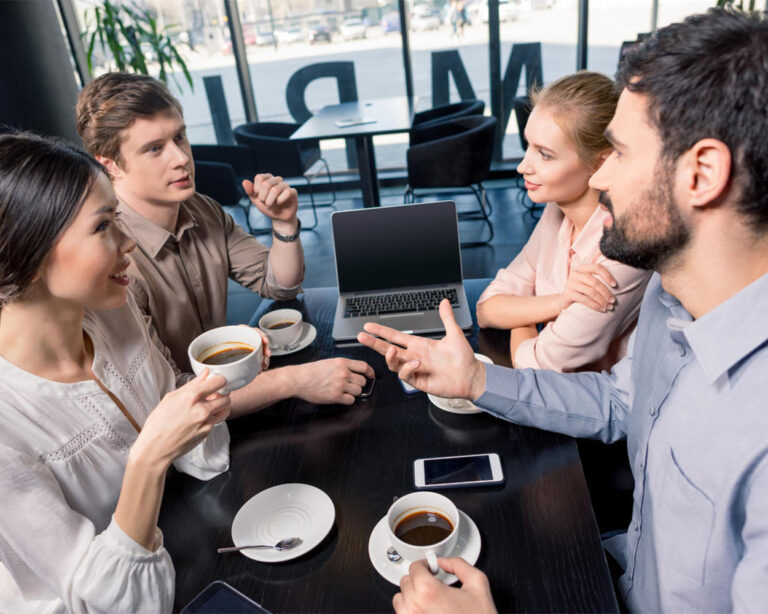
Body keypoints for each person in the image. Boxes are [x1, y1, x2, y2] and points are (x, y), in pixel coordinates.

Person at [359, 8, 768, 612]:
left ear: (702, 173)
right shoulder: (668, 295)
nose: (602, 177)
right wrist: (476, 378)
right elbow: (618, 401)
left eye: (619, 155)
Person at [0, 132, 231, 612]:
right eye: (104, 226)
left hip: (183, 543)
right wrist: (149, 458)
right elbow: (98, 603)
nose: (128, 243)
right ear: (30, 252)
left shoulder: (112, 311)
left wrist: (200, 404)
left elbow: (195, 452)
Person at [75, 73, 373, 416]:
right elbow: (167, 401)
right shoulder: (113, 260)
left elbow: (279, 284)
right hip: (179, 436)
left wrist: (284, 223)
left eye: (180, 137)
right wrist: (293, 381)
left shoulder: (201, 208)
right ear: (110, 165)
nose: (181, 158)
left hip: (226, 403)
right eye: (155, 148)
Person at [476, 71, 651, 372]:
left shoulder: (624, 251)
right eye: (528, 146)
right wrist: (558, 303)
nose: (522, 167)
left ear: (601, 162)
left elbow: (538, 365)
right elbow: (487, 309)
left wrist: (522, 314)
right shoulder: (556, 212)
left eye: (545, 155)